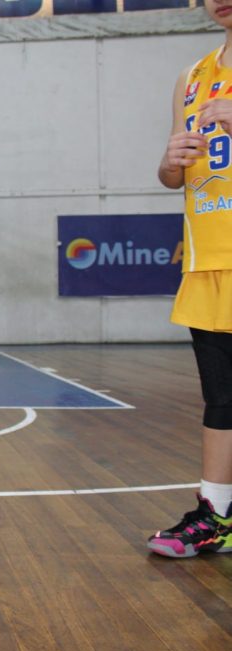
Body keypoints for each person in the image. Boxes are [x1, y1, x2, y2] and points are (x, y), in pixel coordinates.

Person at [147, 0, 232, 558]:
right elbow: (169, 176)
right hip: (210, 260)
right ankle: (217, 513)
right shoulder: (193, 76)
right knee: (221, 399)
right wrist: (172, 158)